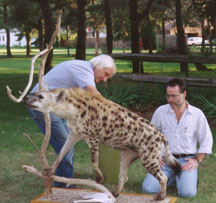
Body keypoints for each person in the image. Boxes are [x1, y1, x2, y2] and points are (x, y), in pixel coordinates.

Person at [27, 54, 117, 188]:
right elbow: (94, 95)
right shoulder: (84, 70)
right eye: (105, 74)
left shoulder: (82, 69)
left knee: (67, 144)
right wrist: (116, 112)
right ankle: (64, 186)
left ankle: (64, 181)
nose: (104, 79)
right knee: (66, 147)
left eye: (107, 77)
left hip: (54, 107)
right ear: (97, 67)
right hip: (42, 106)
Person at [142, 78, 213, 198]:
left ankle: (186, 178)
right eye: (168, 96)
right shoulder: (160, 112)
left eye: (174, 96)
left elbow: (207, 140)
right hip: (166, 160)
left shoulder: (197, 114)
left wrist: (197, 160)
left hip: (186, 161)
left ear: (184, 93)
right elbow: (150, 137)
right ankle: (176, 178)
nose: (170, 100)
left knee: (187, 193)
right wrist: (155, 156)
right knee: (148, 189)